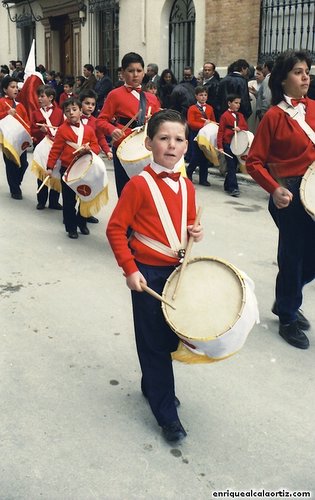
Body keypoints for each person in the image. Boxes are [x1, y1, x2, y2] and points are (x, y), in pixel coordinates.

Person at [106, 109, 203, 442]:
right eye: (163, 138)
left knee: (170, 337)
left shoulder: (188, 186)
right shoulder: (138, 186)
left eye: (178, 139)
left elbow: (188, 225)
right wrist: (130, 270)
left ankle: (153, 384)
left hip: (177, 273)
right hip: (146, 274)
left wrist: (195, 231)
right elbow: (116, 230)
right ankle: (166, 414)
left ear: (187, 146)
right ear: (148, 143)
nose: (171, 145)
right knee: (153, 344)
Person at [246, 49, 315, 350]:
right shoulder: (274, 116)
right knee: (293, 257)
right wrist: (274, 189)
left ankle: (286, 296)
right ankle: (287, 315)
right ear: (283, 78)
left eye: (307, 71)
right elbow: (254, 162)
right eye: (299, 72)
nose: (306, 77)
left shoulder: (314, 107)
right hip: (288, 194)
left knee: (307, 259)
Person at [96, 52, 160, 196]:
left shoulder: (151, 98)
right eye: (130, 71)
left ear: (144, 73)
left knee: (146, 190)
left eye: (139, 71)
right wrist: (112, 130)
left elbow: (159, 124)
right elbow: (100, 121)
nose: (135, 75)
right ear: (123, 73)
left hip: (145, 148)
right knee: (126, 190)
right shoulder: (115, 94)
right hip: (123, 147)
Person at [46, 97, 100, 239]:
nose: (71, 113)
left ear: (81, 111)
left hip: (85, 170)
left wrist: (90, 148)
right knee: (69, 200)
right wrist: (50, 167)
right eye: (67, 111)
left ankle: (82, 223)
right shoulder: (62, 130)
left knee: (85, 197)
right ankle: (71, 228)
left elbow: (96, 146)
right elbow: (55, 150)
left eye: (74, 110)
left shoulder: (88, 130)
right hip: (67, 169)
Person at [31, 84, 64, 210]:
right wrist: (40, 130)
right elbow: (32, 129)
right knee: (42, 174)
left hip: (55, 148)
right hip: (41, 147)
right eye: (38, 96)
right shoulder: (35, 113)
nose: (39, 99)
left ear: (50, 98)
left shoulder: (59, 113)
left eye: (42, 96)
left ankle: (54, 201)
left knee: (56, 173)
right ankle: (41, 200)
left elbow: (63, 128)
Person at [0, 75, 30, 199]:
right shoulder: (1, 102)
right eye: (12, 87)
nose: (16, 89)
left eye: (17, 87)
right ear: (5, 89)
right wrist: (6, 113)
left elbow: (26, 122)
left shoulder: (20, 105)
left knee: (24, 163)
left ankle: (16, 182)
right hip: (7, 139)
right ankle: (15, 189)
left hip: (20, 139)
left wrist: (29, 135)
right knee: (11, 164)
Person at [217, 93, 248, 197]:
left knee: (234, 165)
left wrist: (240, 128)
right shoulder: (224, 116)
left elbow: (245, 126)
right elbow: (220, 131)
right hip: (227, 143)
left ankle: (227, 184)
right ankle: (233, 188)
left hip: (237, 144)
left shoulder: (240, 115)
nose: (238, 105)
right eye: (235, 103)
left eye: (239, 103)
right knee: (231, 165)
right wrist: (220, 146)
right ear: (229, 103)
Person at [186, 86, 216, 186]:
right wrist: (202, 125)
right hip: (196, 134)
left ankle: (203, 179)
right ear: (196, 96)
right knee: (196, 156)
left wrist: (211, 124)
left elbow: (213, 121)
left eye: (205, 95)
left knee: (205, 156)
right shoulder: (192, 108)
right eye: (201, 95)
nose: (203, 97)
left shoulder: (210, 108)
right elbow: (190, 123)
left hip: (206, 135)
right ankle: (188, 173)